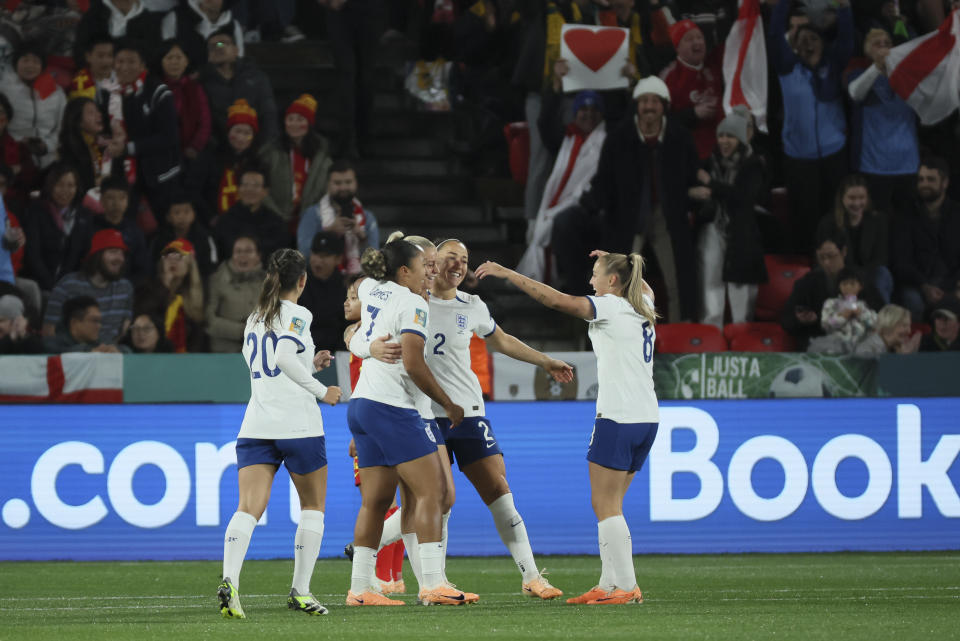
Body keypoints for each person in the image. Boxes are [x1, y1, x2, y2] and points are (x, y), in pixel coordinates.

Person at [475, 250, 656, 605]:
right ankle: (608, 584)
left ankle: (627, 587)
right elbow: (641, 281)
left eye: (595, 273)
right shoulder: (644, 305)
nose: (591, 281)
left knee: (605, 504)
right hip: (647, 417)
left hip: (618, 416)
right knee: (613, 503)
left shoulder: (610, 306)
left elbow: (556, 301)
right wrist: (616, 258)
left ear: (613, 281)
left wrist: (507, 272)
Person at [424, 238, 571, 599]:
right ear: (431, 262)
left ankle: (532, 577)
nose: (458, 265)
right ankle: (435, 581)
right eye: (450, 258)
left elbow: (501, 341)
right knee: (439, 498)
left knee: (499, 490)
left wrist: (544, 360)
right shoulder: (411, 302)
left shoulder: (472, 304)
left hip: (470, 412)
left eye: (465, 259)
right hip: (426, 414)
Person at [218, 248, 342, 619]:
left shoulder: (255, 317)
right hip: (299, 425)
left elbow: (267, 366)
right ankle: (301, 592)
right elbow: (283, 359)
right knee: (312, 507)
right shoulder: (299, 313)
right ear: (302, 281)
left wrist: (311, 364)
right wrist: (323, 391)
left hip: (256, 424)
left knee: (248, 507)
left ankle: (229, 580)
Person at [345, 238, 468, 606]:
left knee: (376, 501)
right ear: (403, 271)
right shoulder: (412, 303)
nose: (432, 271)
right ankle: (432, 582)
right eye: (425, 265)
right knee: (432, 493)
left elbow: (352, 324)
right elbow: (413, 364)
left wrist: (364, 348)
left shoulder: (373, 288)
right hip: (392, 407)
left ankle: (361, 588)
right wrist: (448, 403)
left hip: (362, 405)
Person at [551, 76, 699, 321]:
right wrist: (589, 205)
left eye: (655, 101)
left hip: (667, 217)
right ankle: (616, 330)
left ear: (664, 105)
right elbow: (604, 180)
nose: (649, 106)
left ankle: (680, 336)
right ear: (637, 105)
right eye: (644, 101)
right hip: (627, 217)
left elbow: (690, 175)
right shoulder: (619, 138)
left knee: (678, 281)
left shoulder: (679, 137)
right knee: (619, 283)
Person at [769, 0, 853, 252]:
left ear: (822, 42)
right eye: (801, 38)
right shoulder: (787, 69)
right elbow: (774, 35)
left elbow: (847, 40)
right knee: (805, 218)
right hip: (799, 158)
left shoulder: (833, 64)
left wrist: (845, 9)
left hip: (834, 153)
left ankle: (839, 263)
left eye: (813, 38)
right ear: (793, 45)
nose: (808, 42)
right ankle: (807, 266)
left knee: (836, 216)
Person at [517, 90, 607, 283]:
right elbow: (545, 123)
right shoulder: (567, 138)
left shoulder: (608, 143)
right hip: (563, 210)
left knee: (563, 224)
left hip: (591, 213)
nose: (589, 114)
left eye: (595, 109)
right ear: (575, 113)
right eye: (583, 109)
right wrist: (555, 89)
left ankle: (573, 286)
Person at [689, 112, 767, 328]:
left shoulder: (753, 164)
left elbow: (743, 197)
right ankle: (711, 334)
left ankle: (742, 337)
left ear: (741, 138)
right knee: (710, 281)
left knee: (740, 289)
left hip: (741, 233)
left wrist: (712, 185)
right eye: (721, 135)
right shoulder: (709, 162)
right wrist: (693, 193)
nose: (724, 141)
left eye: (730, 136)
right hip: (713, 226)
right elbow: (692, 191)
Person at [845, 28, 918, 216]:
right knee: (876, 223)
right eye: (878, 43)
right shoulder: (858, 73)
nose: (884, 47)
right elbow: (855, 93)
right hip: (874, 165)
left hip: (907, 163)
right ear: (867, 49)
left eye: (888, 43)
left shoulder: (907, 74)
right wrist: (877, 67)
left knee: (907, 222)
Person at [111, 39, 182, 218]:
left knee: (166, 225)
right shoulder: (109, 92)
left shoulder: (158, 92)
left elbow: (169, 136)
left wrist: (129, 148)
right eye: (120, 61)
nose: (125, 67)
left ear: (143, 65)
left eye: (131, 61)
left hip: (160, 174)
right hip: (123, 175)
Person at [781, 228, 883, 350]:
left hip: (858, 344)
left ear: (844, 252)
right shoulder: (807, 283)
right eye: (821, 258)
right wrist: (801, 320)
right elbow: (786, 320)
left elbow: (881, 313)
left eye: (831, 256)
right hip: (819, 345)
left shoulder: (862, 280)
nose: (827, 263)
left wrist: (861, 315)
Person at [893, 156, 960, 320]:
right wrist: (924, 285)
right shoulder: (906, 215)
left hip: (952, 282)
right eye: (921, 179)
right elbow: (900, 261)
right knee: (913, 301)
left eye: (931, 179)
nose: (924, 184)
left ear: (944, 183)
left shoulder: (957, 213)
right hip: (917, 284)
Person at [318, 0, 384, 159]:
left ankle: (364, 140)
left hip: (367, 10)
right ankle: (347, 141)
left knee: (364, 77)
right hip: (338, 13)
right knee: (346, 74)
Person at [42, 229, 134, 343]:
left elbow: (123, 331)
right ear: (97, 255)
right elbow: (48, 332)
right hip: (74, 353)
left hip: (110, 355)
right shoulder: (68, 284)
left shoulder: (125, 288)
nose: (120, 258)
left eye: (122, 253)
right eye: (113, 251)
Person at [816, 175, 892, 303]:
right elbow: (823, 258)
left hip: (869, 273)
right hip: (839, 274)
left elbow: (881, 258)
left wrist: (858, 278)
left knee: (882, 274)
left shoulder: (878, 220)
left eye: (861, 198)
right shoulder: (828, 223)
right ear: (842, 198)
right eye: (852, 198)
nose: (857, 203)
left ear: (867, 198)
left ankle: (882, 318)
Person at [259, 94, 333, 222]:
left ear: (309, 124)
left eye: (300, 119)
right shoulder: (271, 153)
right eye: (290, 119)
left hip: (311, 221)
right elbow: (261, 188)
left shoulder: (322, 157)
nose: (294, 124)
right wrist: (277, 215)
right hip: (275, 220)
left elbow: (327, 192)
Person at [297, 160, 379, 275]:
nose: (343, 187)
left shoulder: (368, 218)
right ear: (328, 184)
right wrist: (328, 232)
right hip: (320, 282)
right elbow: (303, 255)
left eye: (348, 182)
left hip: (357, 283)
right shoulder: (312, 214)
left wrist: (361, 236)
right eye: (337, 183)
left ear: (356, 183)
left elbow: (374, 262)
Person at [21, 163, 93, 291]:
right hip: (40, 284)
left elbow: (85, 255)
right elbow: (33, 255)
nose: (65, 190)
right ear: (50, 186)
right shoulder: (36, 212)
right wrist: (52, 286)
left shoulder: (84, 215)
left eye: (71, 185)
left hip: (72, 284)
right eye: (59, 184)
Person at [200, 29, 278, 146]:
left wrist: (264, 147)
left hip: (256, 146)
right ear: (208, 56)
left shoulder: (256, 77)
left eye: (222, 43)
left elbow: (268, 115)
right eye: (212, 46)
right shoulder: (202, 83)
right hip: (220, 150)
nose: (218, 48)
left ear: (236, 50)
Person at [659, 20, 724, 160]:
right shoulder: (668, 78)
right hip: (687, 155)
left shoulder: (713, 67)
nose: (697, 42)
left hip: (720, 151)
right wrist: (693, 114)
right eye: (689, 39)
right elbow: (661, 123)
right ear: (677, 47)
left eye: (699, 37)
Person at [0, 43, 67, 169]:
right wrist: (17, 144)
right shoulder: (4, 90)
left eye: (36, 61)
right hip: (13, 159)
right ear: (16, 64)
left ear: (42, 66)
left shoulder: (56, 93)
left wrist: (46, 145)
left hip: (48, 160)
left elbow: (62, 127)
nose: (30, 65)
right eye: (25, 60)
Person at [135, 238, 205, 352]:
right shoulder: (148, 287)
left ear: (190, 264)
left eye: (178, 257)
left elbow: (199, 336)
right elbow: (141, 313)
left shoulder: (196, 294)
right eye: (168, 257)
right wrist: (165, 284)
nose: (173, 261)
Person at [214, 165, 288, 260]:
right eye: (245, 185)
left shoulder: (276, 223)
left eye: (256, 185)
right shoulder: (225, 221)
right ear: (239, 189)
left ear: (265, 191)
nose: (250, 190)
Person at [57, 96, 125, 199]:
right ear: (79, 121)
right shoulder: (69, 151)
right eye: (91, 113)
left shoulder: (107, 144)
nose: (99, 115)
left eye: (98, 111)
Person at [206, 235, 264, 353]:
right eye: (238, 251)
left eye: (248, 251)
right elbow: (208, 320)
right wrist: (240, 331)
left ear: (258, 256)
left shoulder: (270, 283)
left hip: (261, 352)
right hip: (224, 352)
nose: (243, 255)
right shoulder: (216, 280)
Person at [207, 98, 261, 221]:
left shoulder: (258, 163)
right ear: (228, 132)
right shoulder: (211, 158)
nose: (241, 137)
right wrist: (209, 217)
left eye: (247, 133)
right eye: (237, 131)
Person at [91, 176, 149, 283]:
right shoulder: (90, 227)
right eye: (110, 198)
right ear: (101, 200)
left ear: (128, 201)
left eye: (122, 198)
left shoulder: (135, 232)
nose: (116, 203)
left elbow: (142, 269)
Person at [807, 267, 879, 354]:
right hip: (837, 345)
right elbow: (825, 324)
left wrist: (861, 314)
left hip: (860, 346)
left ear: (860, 286)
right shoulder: (831, 303)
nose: (848, 287)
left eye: (852, 284)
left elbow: (875, 324)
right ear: (839, 286)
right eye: (844, 284)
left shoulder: (865, 305)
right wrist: (842, 316)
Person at [298, 231, 347, 354]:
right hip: (301, 354)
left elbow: (348, 328)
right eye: (315, 254)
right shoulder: (297, 284)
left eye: (324, 256)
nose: (318, 260)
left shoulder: (346, 288)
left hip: (336, 357)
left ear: (338, 259)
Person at [160, 0, 245, 69]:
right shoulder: (175, 18)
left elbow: (238, 60)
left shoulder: (232, 26)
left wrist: (220, 45)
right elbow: (167, 56)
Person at [74, 0, 160, 64]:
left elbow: (153, 53)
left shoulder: (148, 19)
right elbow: (80, 51)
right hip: (98, 76)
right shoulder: (93, 15)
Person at [150, 196, 215, 277]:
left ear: (194, 214)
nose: (182, 217)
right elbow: (155, 268)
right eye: (177, 212)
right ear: (168, 217)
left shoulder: (203, 237)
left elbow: (209, 267)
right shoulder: (160, 240)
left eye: (187, 212)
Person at [43, 295, 125, 353]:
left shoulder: (98, 341)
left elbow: (127, 350)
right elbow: (55, 351)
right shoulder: (53, 344)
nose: (99, 326)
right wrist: (88, 351)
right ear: (74, 323)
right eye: (94, 320)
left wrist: (117, 351)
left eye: (100, 321)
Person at [853, 303, 921, 355]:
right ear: (888, 325)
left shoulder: (892, 348)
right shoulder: (867, 350)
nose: (909, 331)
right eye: (904, 326)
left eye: (909, 326)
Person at [68, 33, 117, 103]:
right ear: (88, 56)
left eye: (110, 55)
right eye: (100, 56)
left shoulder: (122, 76)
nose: (106, 61)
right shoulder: (79, 84)